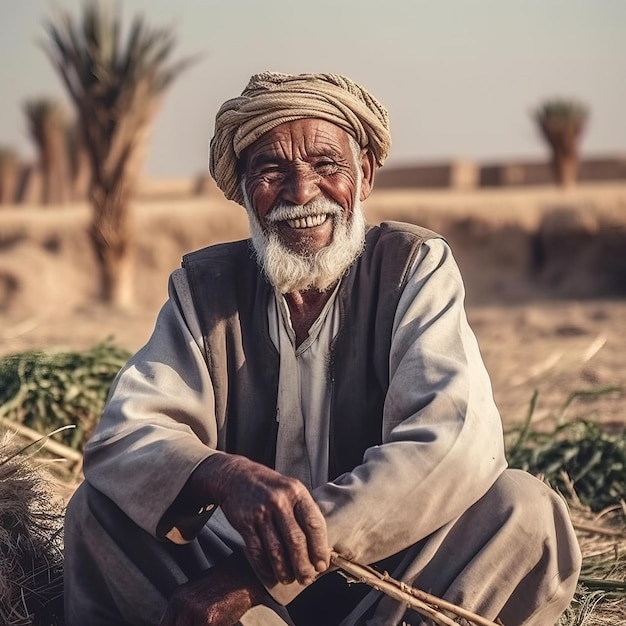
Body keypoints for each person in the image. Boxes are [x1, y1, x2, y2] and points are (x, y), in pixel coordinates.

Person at [63, 72, 581, 626]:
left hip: (388, 577)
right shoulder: (205, 287)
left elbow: (452, 440)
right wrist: (224, 475)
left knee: (526, 511)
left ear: (364, 176)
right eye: (271, 171)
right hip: (234, 573)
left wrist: (262, 573)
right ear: (244, 190)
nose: (301, 192)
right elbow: (126, 435)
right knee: (96, 511)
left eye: (326, 165)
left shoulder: (413, 267)